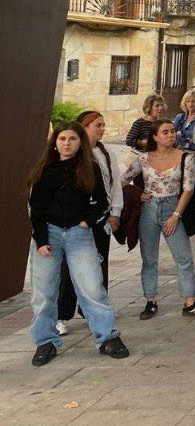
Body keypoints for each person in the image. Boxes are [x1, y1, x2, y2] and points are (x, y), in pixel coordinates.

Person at [28, 122, 129, 366]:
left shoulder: (91, 167)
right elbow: (35, 208)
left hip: (79, 234)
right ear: (55, 142)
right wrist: (41, 240)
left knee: (92, 288)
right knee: (44, 292)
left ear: (80, 142)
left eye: (72, 138)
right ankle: (45, 342)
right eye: (62, 139)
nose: (67, 143)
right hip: (49, 234)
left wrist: (88, 221)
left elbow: (102, 201)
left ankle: (106, 337)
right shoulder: (45, 169)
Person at [123, 119, 195, 319]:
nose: (171, 135)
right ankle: (150, 300)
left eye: (172, 131)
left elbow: (188, 189)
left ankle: (190, 302)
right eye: (165, 132)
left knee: (184, 257)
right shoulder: (143, 158)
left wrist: (176, 215)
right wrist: (137, 195)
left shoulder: (185, 158)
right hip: (149, 209)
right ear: (155, 137)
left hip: (173, 207)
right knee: (149, 259)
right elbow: (122, 180)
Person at [57, 111, 123, 333]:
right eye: (97, 125)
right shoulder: (72, 155)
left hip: (99, 219)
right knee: (68, 268)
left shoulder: (107, 154)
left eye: (103, 125)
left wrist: (115, 212)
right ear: (84, 128)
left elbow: (114, 185)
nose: (102, 129)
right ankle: (61, 313)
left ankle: (94, 311)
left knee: (99, 265)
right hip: (73, 223)